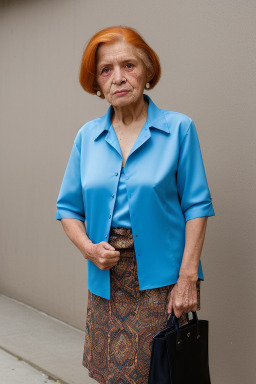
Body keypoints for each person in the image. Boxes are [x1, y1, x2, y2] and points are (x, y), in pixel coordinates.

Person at [56, 25, 215, 384]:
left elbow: (197, 206)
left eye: (128, 65)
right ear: (97, 83)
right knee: (110, 376)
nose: (118, 78)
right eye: (106, 70)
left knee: (161, 374)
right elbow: (68, 209)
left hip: (163, 282)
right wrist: (89, 250)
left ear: (147, 71)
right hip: (106, 278)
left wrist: (188, 277)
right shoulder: (87, 137)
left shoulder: (179, 129)